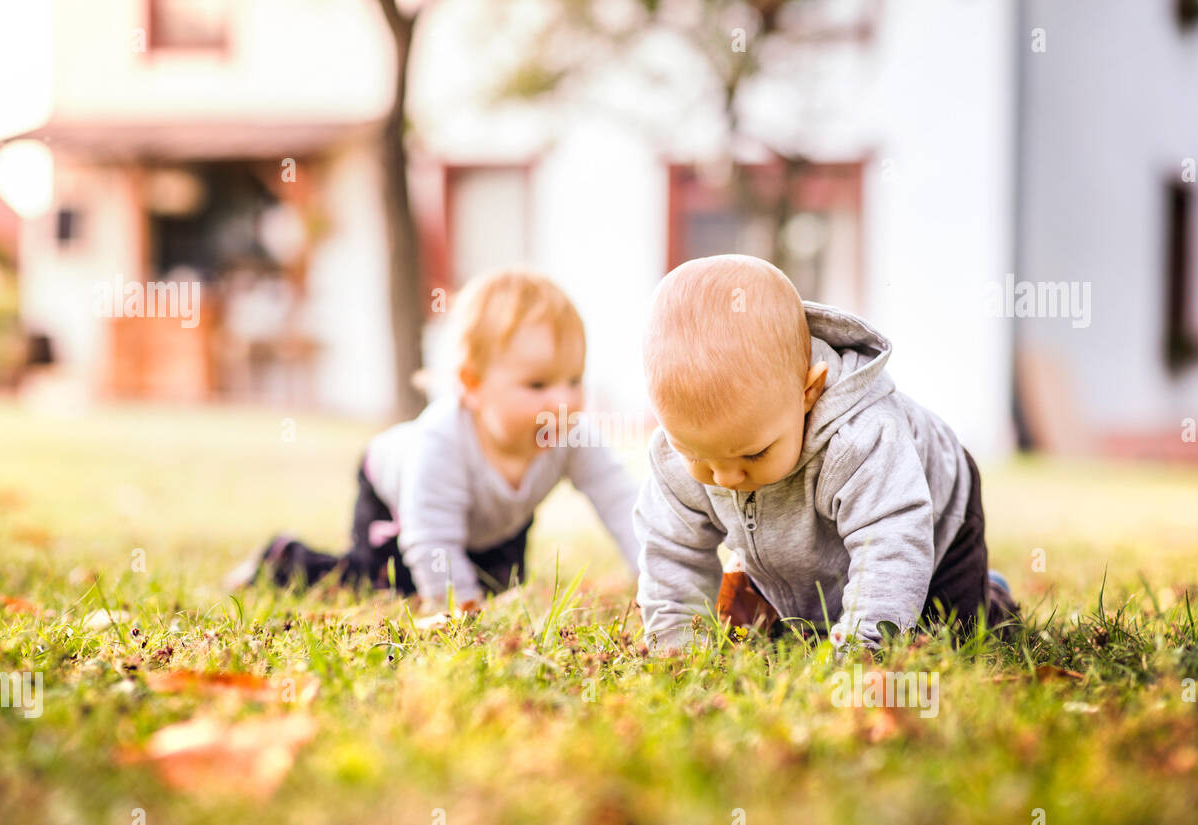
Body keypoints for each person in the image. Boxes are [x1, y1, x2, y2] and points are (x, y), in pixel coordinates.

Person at [632, 254, 1020, 655]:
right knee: (792, 631)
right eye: (696, 456)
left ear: (808, 392)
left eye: (753, 454)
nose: (725, 477)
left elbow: (888, 544)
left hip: (932, 517)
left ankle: (991, 594)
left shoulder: (861, 438)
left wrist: (864, 649)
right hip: (800, 551)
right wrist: (676, 647)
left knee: (950, 637)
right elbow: (671, 551)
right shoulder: (674, 456)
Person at [229, 268, 641, 611]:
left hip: (488, 522)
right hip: (395, 495)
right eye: (537, 384)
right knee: (388, 583)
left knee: (499, 584)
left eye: (574, 380)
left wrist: (654, 578)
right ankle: (283, 560)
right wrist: (457, 608)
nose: (563, 401)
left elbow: (621, 502)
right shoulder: (441, 443)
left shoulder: (573, 435)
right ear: (473, 386)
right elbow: (430, 536)